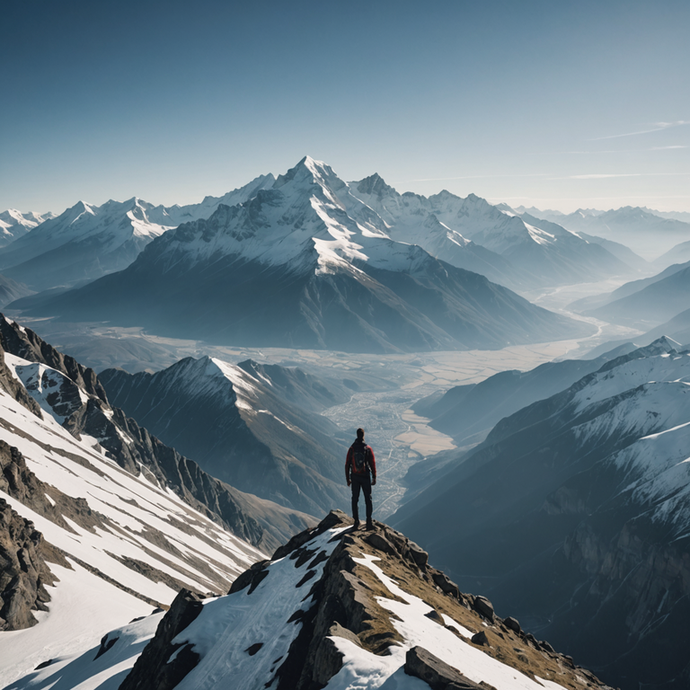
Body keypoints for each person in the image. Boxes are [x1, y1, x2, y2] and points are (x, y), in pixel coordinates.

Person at [345, 427, 376, 530]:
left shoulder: (352, 448)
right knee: (368, 499)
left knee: (355, 499)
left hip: (355, 477)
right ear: (363, 436)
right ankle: (369, 522)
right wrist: (374, 477)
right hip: (365, 476)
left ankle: (356, 522)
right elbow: (372, 464)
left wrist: (348, 479)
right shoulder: (367, 448)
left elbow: (347, 464)